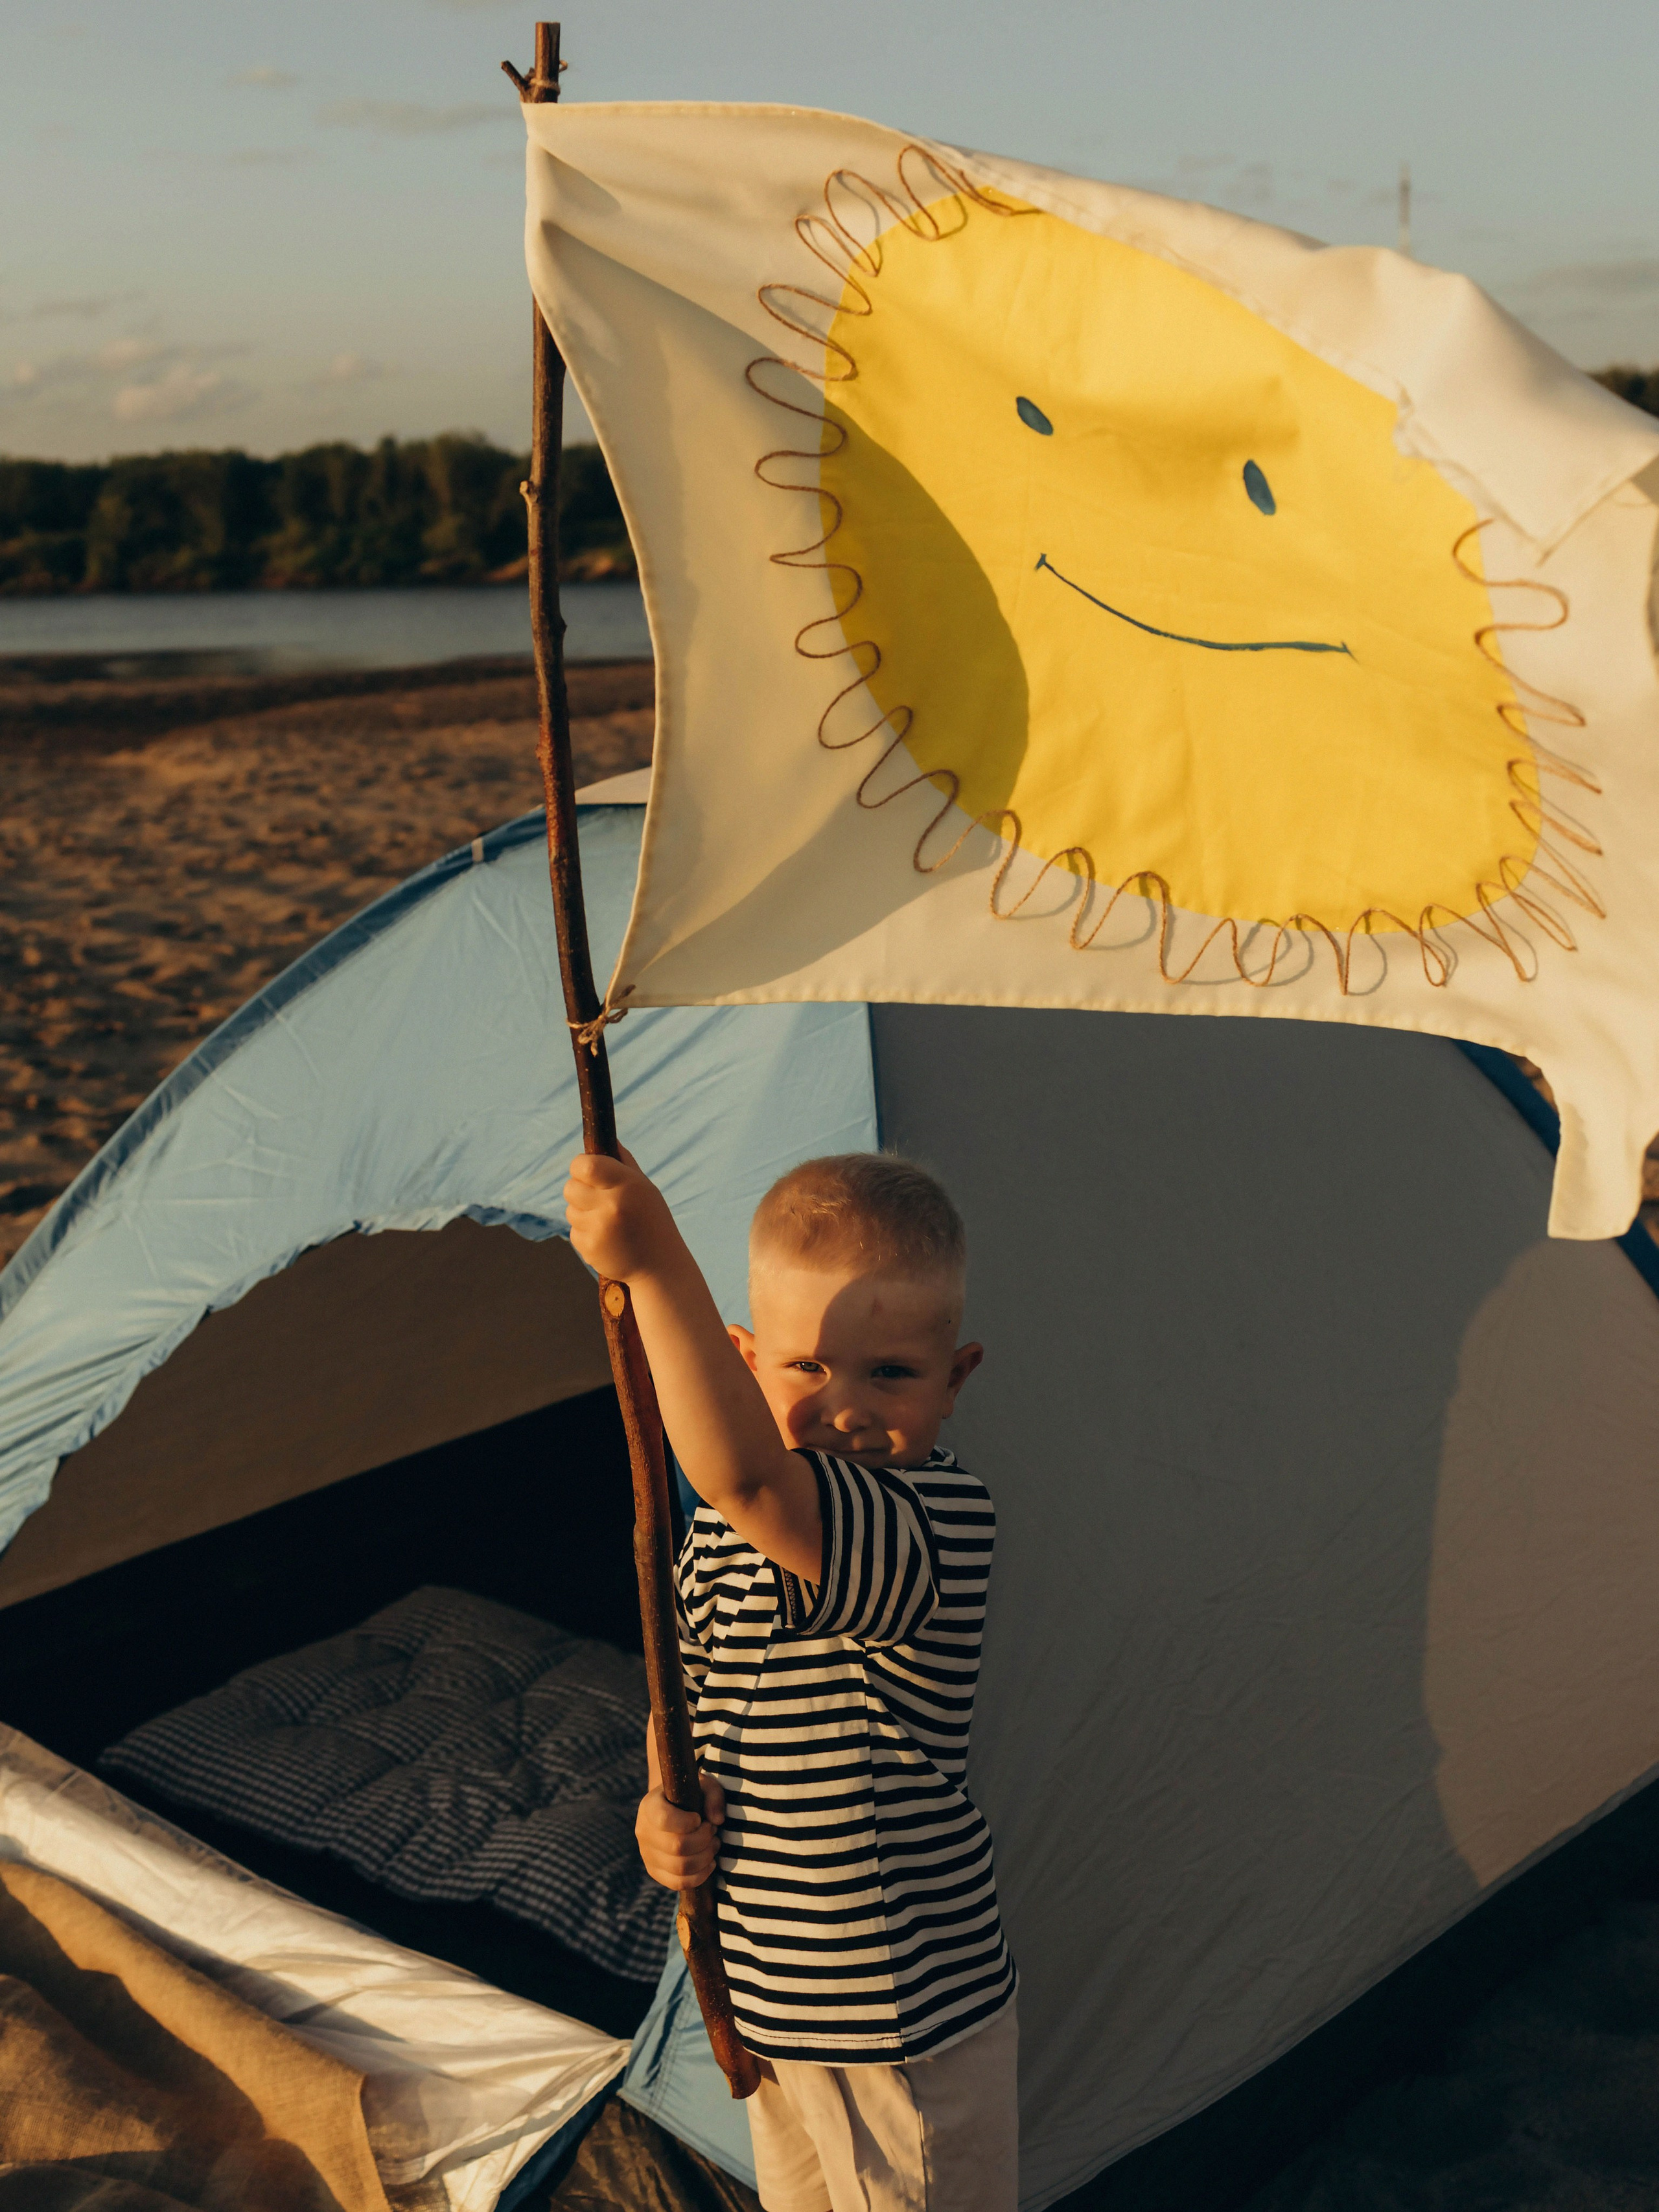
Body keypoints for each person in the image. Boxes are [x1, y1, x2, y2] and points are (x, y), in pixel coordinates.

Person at [563, 1147, 1017, 2212]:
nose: (845, 1406)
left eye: (890, 1373)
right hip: (774, 2005)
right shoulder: (722, 1538)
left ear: (956, 1380)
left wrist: (656, 1264)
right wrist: (663, 1815)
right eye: (805, 1368)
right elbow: (694, 1704)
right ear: (744, 1360)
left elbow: (751, 1473)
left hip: (900, 2023)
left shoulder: (931, 1524)